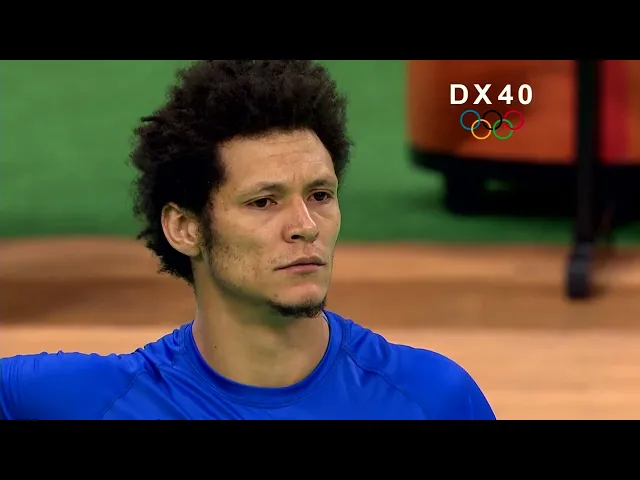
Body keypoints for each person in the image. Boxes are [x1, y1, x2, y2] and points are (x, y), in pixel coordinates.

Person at [0, 60, 495, 420]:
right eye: (263, 202)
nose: (305, 225)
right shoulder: (91, 401)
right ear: (185, 228)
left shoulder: (432, 399)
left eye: (320, 195)